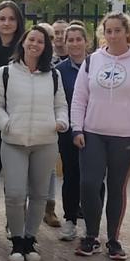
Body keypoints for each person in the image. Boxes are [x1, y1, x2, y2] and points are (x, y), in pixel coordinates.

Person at [70, 12, 130, 260]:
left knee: (117, 187)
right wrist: (77, 127)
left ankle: (113, 239)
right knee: (89, 184)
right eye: (108, 31)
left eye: (117, 30)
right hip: (93, 133)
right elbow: (79, 98)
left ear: (127, 32)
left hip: (126, 137)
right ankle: (90, 236)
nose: (112, 35)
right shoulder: (92, 61)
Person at [0, 25, 68, 261]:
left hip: (45, 142)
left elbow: (61, 105)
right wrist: (6, 123)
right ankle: (15, 239)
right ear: (23, 43)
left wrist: (61, 121)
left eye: (40, 42)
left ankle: (30, 238)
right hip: (14, 141)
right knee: (14, 194)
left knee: (39, 195)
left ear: (46, 47)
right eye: (31, 40)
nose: (35, 44)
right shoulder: (5, 72)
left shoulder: (53, 75)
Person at [0, 0, 25, 236]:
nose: (7, 23)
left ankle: (14, 224)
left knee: (16, 177)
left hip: (18, 120)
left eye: (11, 19)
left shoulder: (26, 47)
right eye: (2, 18)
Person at [55, 22, 93, 241]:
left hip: (95, 130)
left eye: (79, 39)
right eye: (71, 39)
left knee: (94, 178)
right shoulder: (59, 71)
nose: (75, 43)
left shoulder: (97, 65)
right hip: (68, 132)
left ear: (86, 42)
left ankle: (91, 221)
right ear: (65, 43)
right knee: (71, 175)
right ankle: (70, 219)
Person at [43, 20, 70, 227]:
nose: (53, 40)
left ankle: (49, 208)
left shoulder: (58, 66)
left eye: (53, 36)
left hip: (55, 123)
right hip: (33, 123)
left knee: (50, 168)